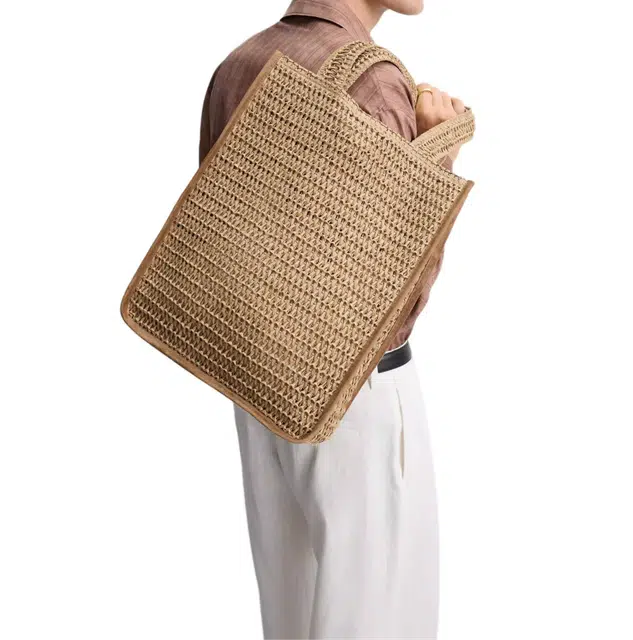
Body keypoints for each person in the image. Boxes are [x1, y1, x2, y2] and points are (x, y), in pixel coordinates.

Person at [199, 1, 466, 638]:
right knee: (378, 617)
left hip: (256, 383)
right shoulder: (374, 84)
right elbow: (395, 296)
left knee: (291, 617)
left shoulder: (239, 63)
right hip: (356, 393)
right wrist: (438, 155)